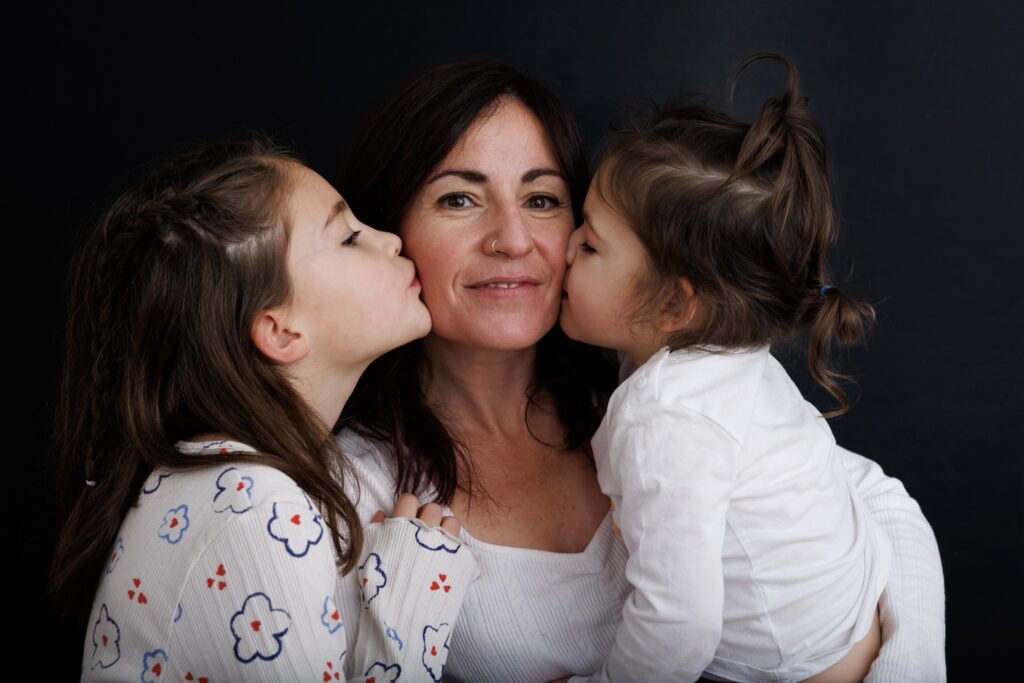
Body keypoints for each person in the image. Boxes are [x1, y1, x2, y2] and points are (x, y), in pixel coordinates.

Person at [333, 61, 946, 682]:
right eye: (459, 199)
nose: (514, 239)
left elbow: (874, 499)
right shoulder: (356, 487)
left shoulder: (643, 387)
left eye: (542, 199)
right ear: (385, 229)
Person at [49, 138, 479, 681]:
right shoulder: (256, 507)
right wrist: (412, 606)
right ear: (280, 330)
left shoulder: (218, 480)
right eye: (348, 237)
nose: (391, 240)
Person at [559, 53, 888, 682]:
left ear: (677, 304)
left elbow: (679, 624)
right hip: (847, 609)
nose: (565, 246)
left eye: (591, 243)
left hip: (809, 663)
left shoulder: (668, 417)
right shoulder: (727, 355)